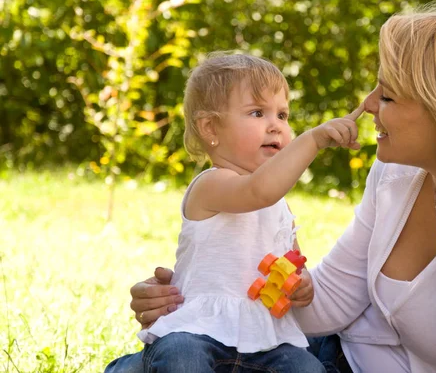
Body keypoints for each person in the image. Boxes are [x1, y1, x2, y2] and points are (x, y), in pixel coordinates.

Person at [109, 8, 436, 372]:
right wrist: (208, 292)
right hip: (326, 356)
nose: (367, 105)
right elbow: (331, 301)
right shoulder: (396, 173)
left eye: (387, 94)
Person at [106, 53, 364, 373]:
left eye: (282, 115)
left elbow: (291, 261)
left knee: (307, 368)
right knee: (182, 358)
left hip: (265, 340)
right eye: (258, 112)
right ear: (210, 127)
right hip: (198, 330)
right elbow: (258, 191)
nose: (276, 126)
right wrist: (312, 140)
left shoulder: (280, 205)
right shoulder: (212, 186)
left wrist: (302, 285)